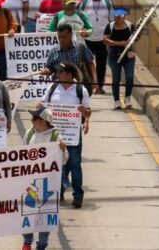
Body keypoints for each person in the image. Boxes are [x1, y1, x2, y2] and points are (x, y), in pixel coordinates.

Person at [42, 62, 91, 208]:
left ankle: (78, 196)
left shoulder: (80, 90)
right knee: (57, 164)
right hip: (55, 134)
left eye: (61, 72)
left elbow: (88, 112)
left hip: (73, 133)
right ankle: (59, 190)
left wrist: (84, 115)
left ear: (69, 74)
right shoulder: (52, 88)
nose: (58, 74)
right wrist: (40, 106)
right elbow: (45, 106)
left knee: (75, 163)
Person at [21, 107, 66, 250]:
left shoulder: (56, 137)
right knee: (27, 211)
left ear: (42, 121)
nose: (31, 121)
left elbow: (64, 161)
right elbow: (21, 155)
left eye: (34, 119)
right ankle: (27, 241)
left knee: (45, 214)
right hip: (30, 181)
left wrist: (63, 150)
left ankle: (42, 245)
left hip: (48, 183)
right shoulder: (29, 134)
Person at [78, 0, 113, 95]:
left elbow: (111, 20)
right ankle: (90, 85)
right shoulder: (84, 2)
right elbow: (77, 18)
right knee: (87, 63)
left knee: (101, 64)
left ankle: (99, 87)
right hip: (88, 39)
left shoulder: (107, 2)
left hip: (102, 40)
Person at [42, 23, 96, 93]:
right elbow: (49, 68)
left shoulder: (81, 47)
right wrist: (47, 71)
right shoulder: (53, 51)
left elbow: (90, 64)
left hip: (79, 87)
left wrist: (95, 80)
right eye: (59, 37)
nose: (61, 40)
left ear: (70, 35)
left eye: (64, 37)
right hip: (60, 89)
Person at [103, 8, 136, 109]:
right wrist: (118, 43)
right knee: (116, 78)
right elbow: (105, 39)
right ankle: (116, 100)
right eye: (116, 16)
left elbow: (135, 38)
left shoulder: (130, 26)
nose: (118, 18)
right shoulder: (110, 26)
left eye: (120, 16)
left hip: (128, 55)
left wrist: (132, 50)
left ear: (124, 16)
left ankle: (127, 97)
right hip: (114, 55)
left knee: (129, 77)